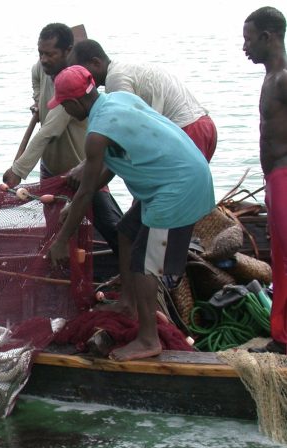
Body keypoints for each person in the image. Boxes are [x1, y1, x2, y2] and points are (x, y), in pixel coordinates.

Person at [48, 66, 214, 361]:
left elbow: (86, 191)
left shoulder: (97, 134)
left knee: (144, 262)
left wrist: (62, 240)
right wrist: (73, 207)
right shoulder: (117, 100)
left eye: (62, 105)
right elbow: (111, 167)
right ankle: (128, 304)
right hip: (179, 176)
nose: (63, 109)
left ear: (73, 103)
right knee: (126, 231)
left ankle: (149, 339)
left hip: (178, 187)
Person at [2, 23, 122, 255]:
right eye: (41, 53)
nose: (44, 59)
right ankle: (62, 269)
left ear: (68, 52)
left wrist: (18, 170)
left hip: (80, 170)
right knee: (55, 227)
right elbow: (36, 75)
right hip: (51, 168)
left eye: (51, 54)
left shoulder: (72, 85)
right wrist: (38, 100)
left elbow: (48, 131)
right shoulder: (43, 67)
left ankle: (135, 269)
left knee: (110, 225)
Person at [68, 39, 217, 161]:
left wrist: (89, 163)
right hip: (203, 125)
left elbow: (128, 131)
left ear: (96, 63)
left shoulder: (116, 79)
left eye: (80, 71)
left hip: (188, 129)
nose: (79, 77)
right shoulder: (123, 68)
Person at [243, 6, 287, 354]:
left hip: (285, 174)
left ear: (267, 37)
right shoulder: (270, 78)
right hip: (273, 177)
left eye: (248, 38)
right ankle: (282, 336)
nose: (245, 47)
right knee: (279, 257)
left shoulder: (284, 78)